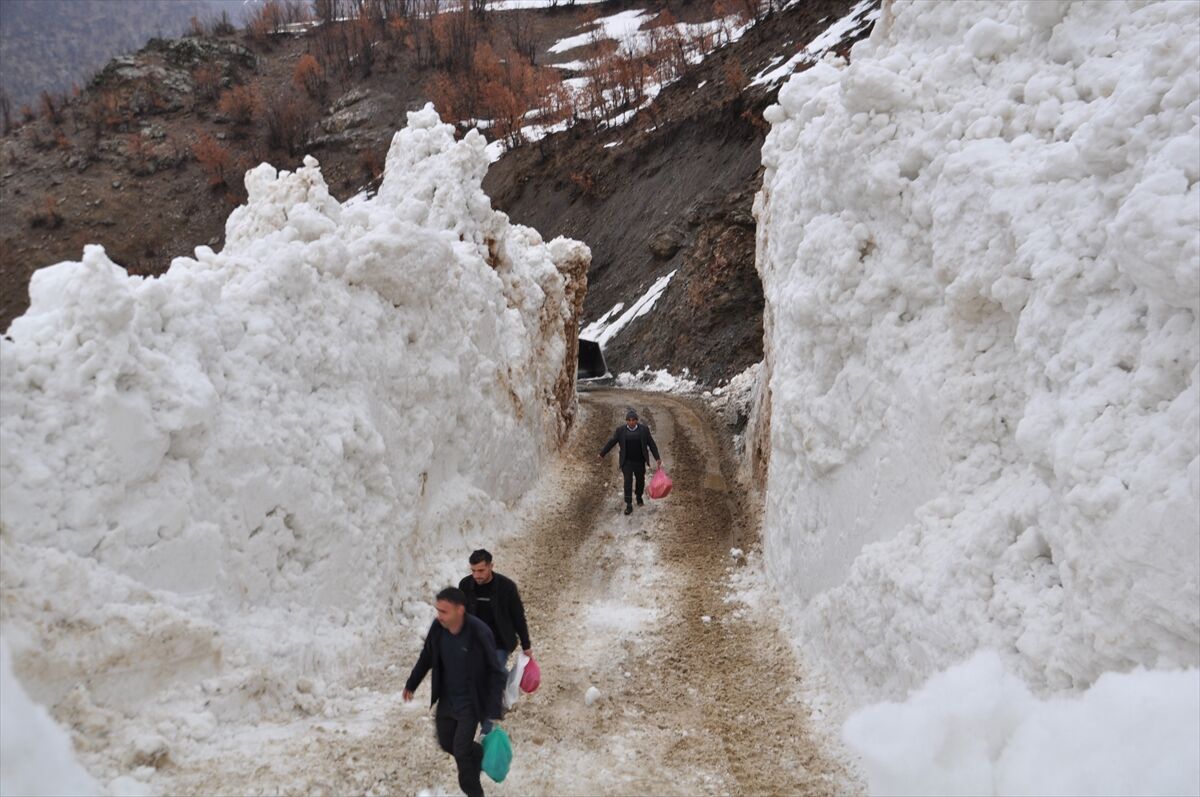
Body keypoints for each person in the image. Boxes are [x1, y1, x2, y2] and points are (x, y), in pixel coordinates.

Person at [403, 587, 506, 797]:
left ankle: (474, 793)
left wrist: (493, 710)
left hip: (471, 702)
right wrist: (411, 684)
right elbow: (426, 656)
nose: (438, 615)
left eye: (444, 611)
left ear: (460, 610)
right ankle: (477, 754)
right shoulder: (438, 628)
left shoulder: (479, 633)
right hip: (447, 700)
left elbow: (496, 672)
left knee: (461, 753)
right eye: (437, 610)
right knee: (446, 742)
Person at [459, 549, 532, 671]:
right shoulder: (465, 585)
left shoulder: (506, 587)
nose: (476, 575)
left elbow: (518, 617)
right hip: (474, 641)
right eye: (473, 571)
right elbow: (459, 613)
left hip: (500, 641)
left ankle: (502, 685)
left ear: (491, 566)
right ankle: (504, 685)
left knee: (493, 670)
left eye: (481, 570)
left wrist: (526, 646)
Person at [597, 408, 663, 515]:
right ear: (626, 421)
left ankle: (638, 496)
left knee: (640, 481)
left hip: (640, 461)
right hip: (627, 462)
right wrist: (602, 454)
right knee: (627, 482)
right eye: (629, 420)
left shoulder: (644, 430)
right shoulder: (621, 431)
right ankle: (628, 504)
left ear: (637, 420)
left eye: (633, 420)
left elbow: (651, 444)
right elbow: (612, 442)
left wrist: (657, 458)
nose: (631, 422)